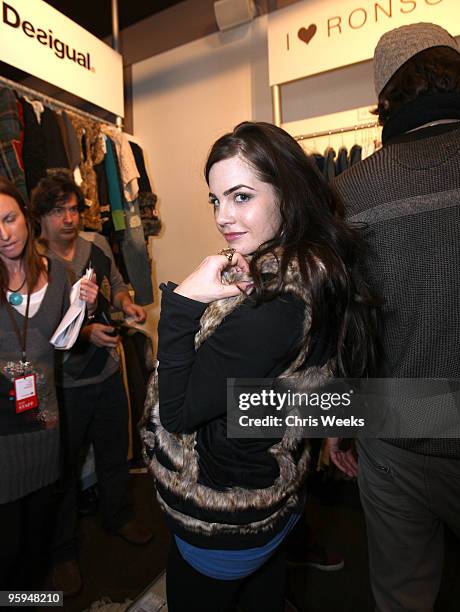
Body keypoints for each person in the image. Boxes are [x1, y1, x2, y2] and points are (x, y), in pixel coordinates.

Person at [141, 121, 379, 612]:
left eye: (241, 196)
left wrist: (183, 305)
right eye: (215, 200)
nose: (223, 217)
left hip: (223, 522)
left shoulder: (278, 302)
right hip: (274, 500)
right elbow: (291, 390)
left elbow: (179, 413)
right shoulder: (320, 264)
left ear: (288, 194)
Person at [330, 22, 460, 612]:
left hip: (396, 435)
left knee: (402, 595)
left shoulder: (350, 190)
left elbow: (347, 324)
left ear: (384, 99)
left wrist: (339, 420)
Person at [31, 172, 153, 597]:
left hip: (104, 371)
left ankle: (118, 516)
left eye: (72, 209)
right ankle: (63, 551)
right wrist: (85, 335)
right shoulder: (35, 264)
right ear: (40, 218)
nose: (68, 218)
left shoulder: (96, 244)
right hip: (65, 383)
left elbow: (114, 284)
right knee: (63, 467)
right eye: (57, 210)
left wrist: (124, 303)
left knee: (113, 449)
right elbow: (40, 328)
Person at [0, 177, 97, 590]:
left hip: (45, 427)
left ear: (27, 218)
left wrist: (86, 311)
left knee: (38, 544)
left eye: (9, 219)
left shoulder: (59, 274)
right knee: (6, 549)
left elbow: (65, 342)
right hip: (1, 439)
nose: (4, 235)